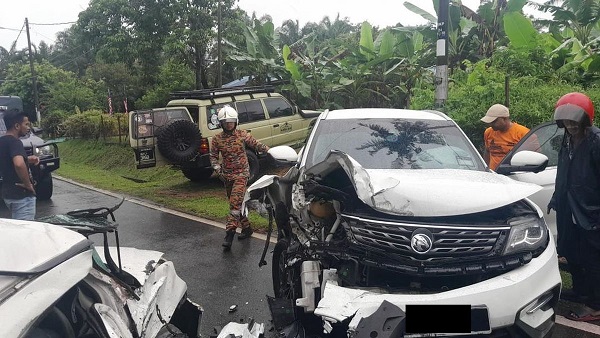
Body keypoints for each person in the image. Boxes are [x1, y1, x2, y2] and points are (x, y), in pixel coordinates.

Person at [547, 92, 600, 321]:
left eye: (574, 122)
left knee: (593, 259)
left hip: (591, 212)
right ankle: (581, 292)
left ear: (585, 119)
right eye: (566, 122)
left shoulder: (596, 141)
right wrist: (555, 198)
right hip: (570, 209)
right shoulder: (568, 139)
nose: (570, 126)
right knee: (572, 253)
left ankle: (595, 304)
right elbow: (564, 173)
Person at [210, 105, 269, 250]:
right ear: (221, 123)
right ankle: (247, 228)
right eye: (225, 122)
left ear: (236, 122)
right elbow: (213, 157)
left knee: (234, 205)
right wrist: (218, 169)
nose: (229, 124)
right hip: (227, 176)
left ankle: (229, 235)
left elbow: (257, 145)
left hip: (242, 174)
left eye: (231, 121)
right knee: (237, 203)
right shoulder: (217, 139)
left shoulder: (243, 135)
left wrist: (271, 152)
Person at [0, 110, 39, 220]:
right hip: (22, 195)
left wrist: (28, 159)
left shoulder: (2, 141)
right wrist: (27, 184)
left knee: (18, 228)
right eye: (26, 124)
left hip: (9, 193)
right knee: (25, 231)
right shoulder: (15, 142)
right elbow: (18, 164)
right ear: (17, 126)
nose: (28, 128)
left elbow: (8, 161)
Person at [480, 104, 530, 170]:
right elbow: (487, 151)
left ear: (504, 118)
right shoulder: (488, 132)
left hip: (514, 174)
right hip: (494, 175)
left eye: (494, 121)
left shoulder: (523, 133)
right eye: (489, 122)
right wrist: (485, 170)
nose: (491, 124)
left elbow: (533, 156)